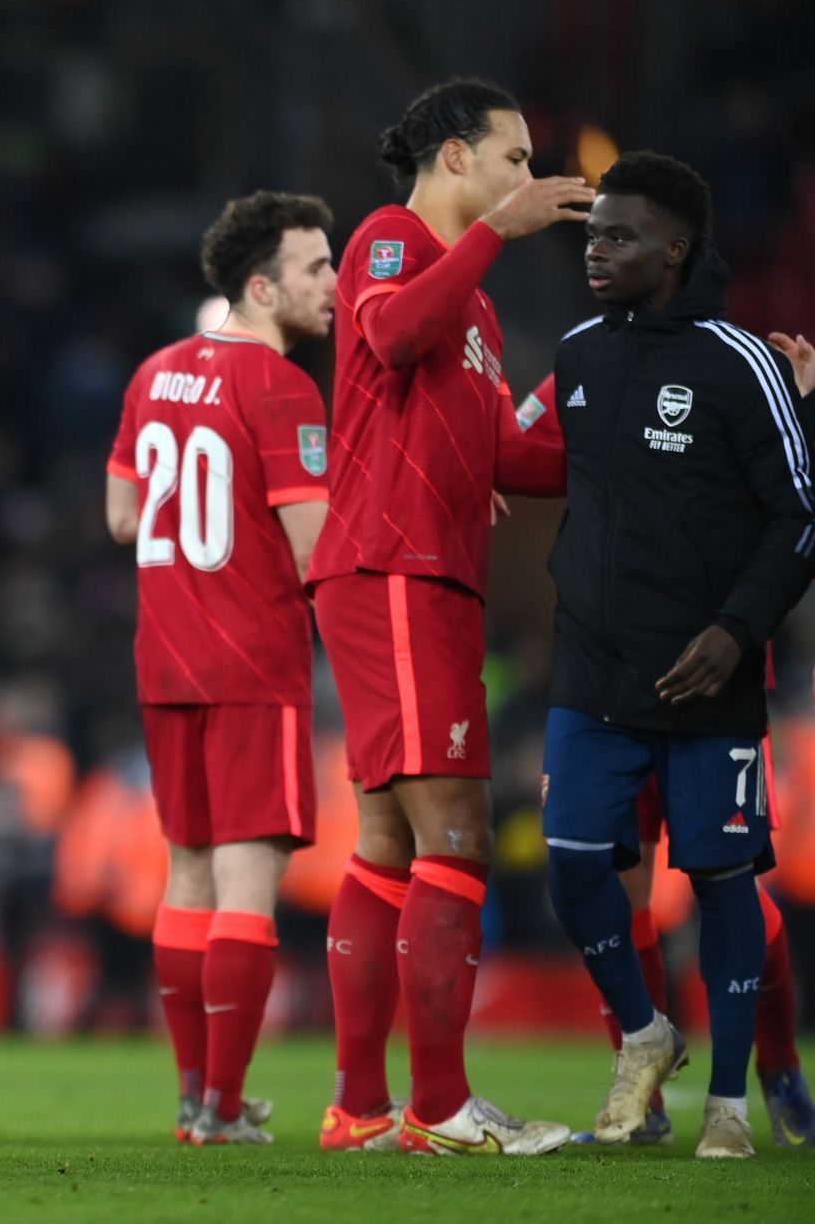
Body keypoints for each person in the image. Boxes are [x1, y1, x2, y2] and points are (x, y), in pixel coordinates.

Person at [309, 78, 584, 1156]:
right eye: (514, 158)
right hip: (395, 568)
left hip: (427, 572)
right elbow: (391, 338)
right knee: (458, 836)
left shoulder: (474, 303)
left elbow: (511, 453)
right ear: (456, 156)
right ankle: (438, 1107)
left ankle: (362, 1109)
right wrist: (499, 239)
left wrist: (617, 420)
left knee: (388, 845)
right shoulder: (392, 240)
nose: (527, 179)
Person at [537, 151, 815, 1158]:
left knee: (721, 881)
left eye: (617, 235)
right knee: (571, 868)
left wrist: (737, 632)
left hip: (710, 676)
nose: (595, 251)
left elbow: (799, 512)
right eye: (590, 233)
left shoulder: (742, 364)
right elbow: (527, 453)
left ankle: (735, 1101)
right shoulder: (576, 354)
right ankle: (646, 1035)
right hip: (595, 670)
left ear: (674, 249)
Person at [103, 191, 337, 1145]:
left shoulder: (155, 372)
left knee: (187, 879)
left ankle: (199, 1096)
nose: (332, 283)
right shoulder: (284, 387)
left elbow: (121, 520)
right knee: (244, 889)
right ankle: (224, 1106)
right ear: (260, 284)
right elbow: (317, 553)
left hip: (166, 661)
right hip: (252, 664)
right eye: (316, 267)